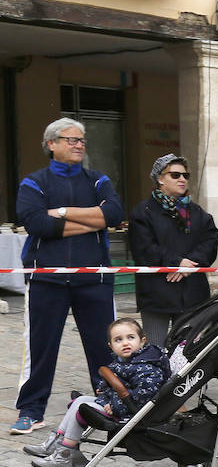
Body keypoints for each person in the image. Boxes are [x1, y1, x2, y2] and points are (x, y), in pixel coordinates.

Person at [11, 118, 125, 436]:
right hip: (47, 278)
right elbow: (37, 224)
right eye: (71, 139)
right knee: (41, 347)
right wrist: (94, 219)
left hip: (95, 277)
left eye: (82, 140)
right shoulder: (34, 183)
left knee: (104, 346)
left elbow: (114, 214)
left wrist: (61, 212)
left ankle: (110, 403)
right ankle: (31, 411)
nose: (79, 144)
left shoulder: (99, 179)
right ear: (51, 144)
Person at [25, 318, 170, 467]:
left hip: (132, 411)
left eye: (131, 337)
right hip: (121, 404)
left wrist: (113, 404)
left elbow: (143, 397)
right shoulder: (123, 361)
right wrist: (105, 390)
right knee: (79, 401)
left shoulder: (147, 367)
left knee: (82, 407)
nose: (125, 343)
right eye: (118, 340)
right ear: (111, 346)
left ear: (142, 341)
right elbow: (114, 383)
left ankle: (65, 453)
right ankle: (56, 442)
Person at [129, 154, 218, 349]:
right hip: (156, 293)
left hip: (192, 293)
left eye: (185, 175)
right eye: (175, 175)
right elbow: (143, 247)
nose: (182, 179)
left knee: (189, 354)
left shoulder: (197, 213)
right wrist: (176, 262)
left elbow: (210, 242)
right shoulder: (143, 211)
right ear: (160, 179)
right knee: (155, 351)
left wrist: (189, 264)